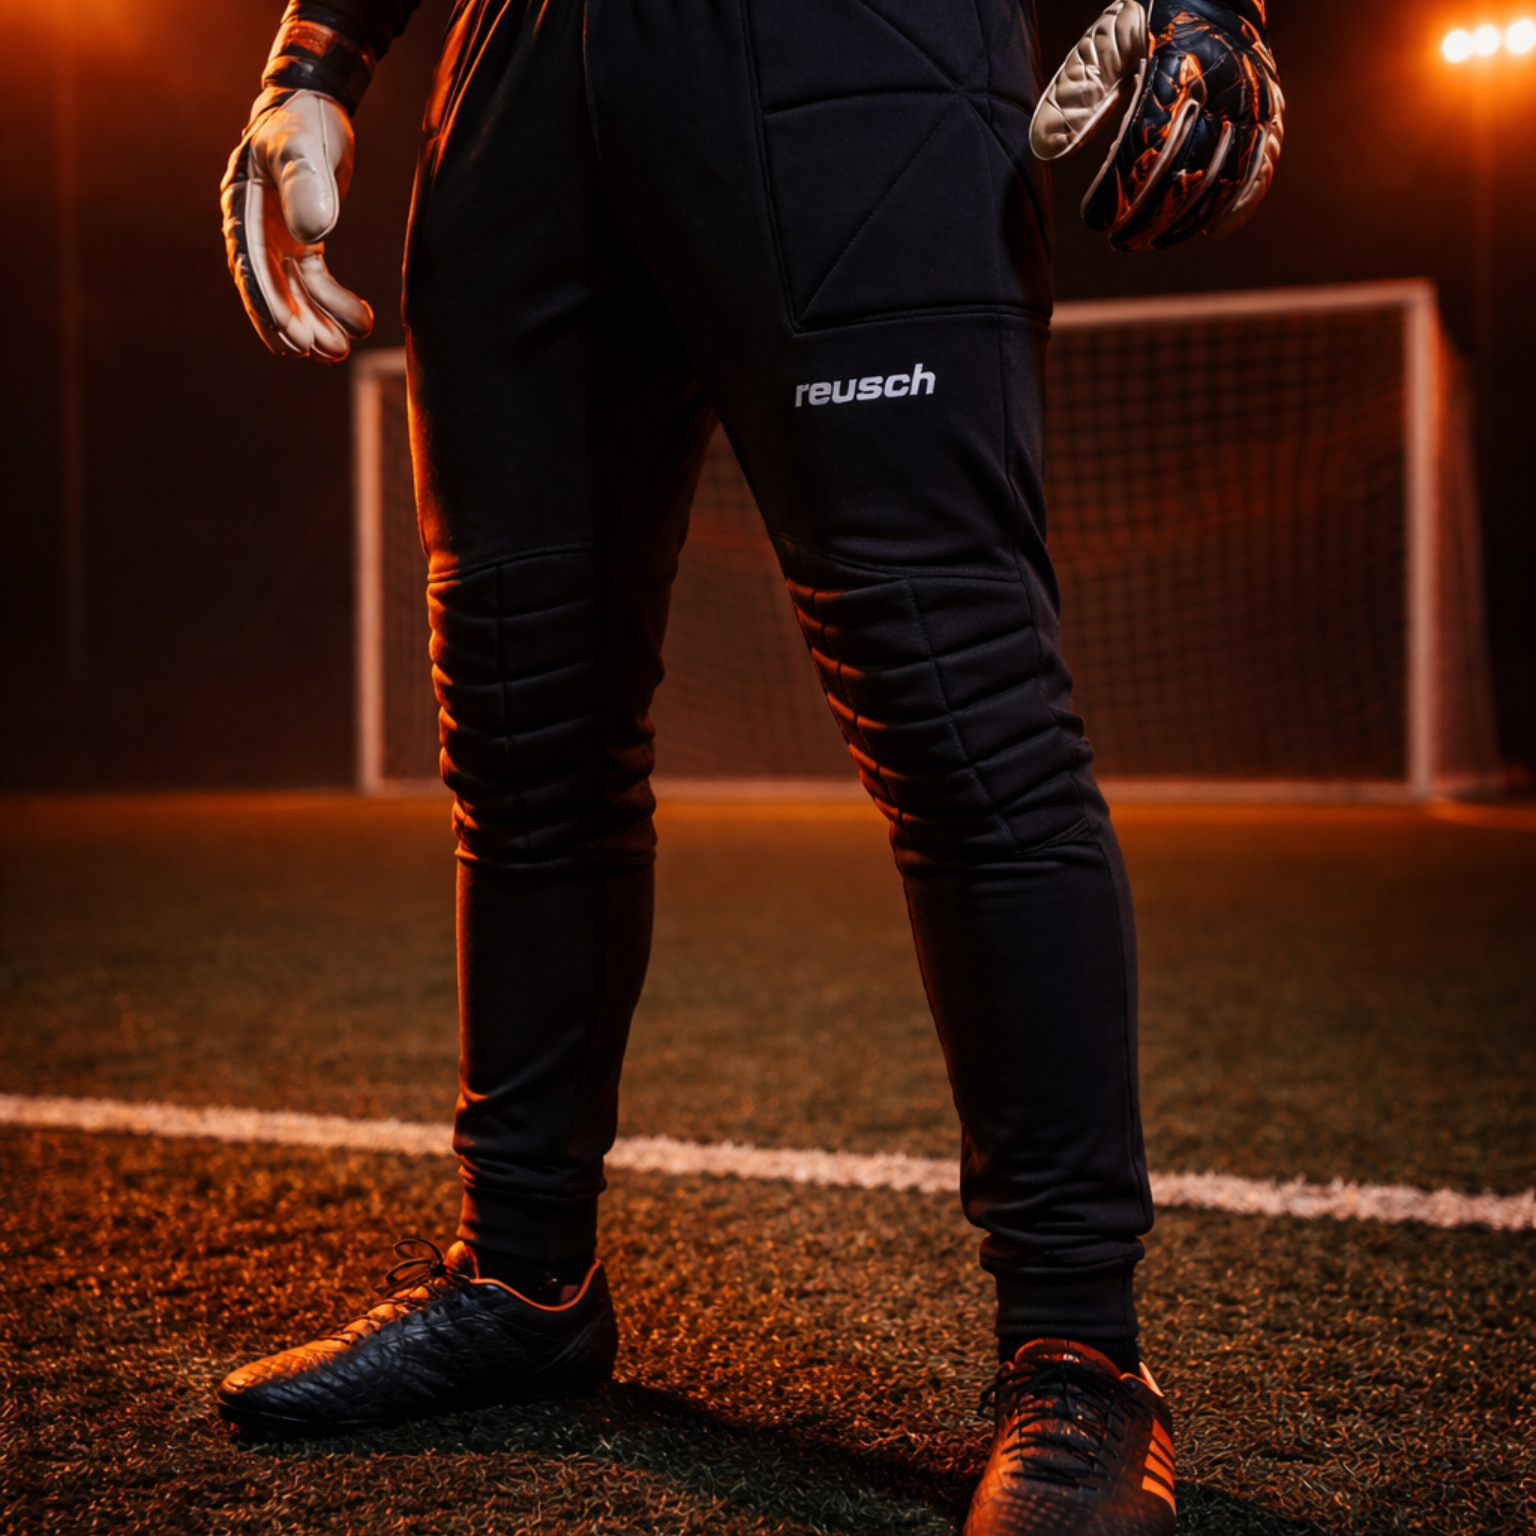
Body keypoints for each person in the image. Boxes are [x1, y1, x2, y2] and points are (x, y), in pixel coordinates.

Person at [214, 2, 1282, 1530]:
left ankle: (1078, 1357)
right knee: (520, 723)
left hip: (847, 57)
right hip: (518, 83)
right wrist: (313, 61)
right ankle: (527, 1275)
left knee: (955, 709)